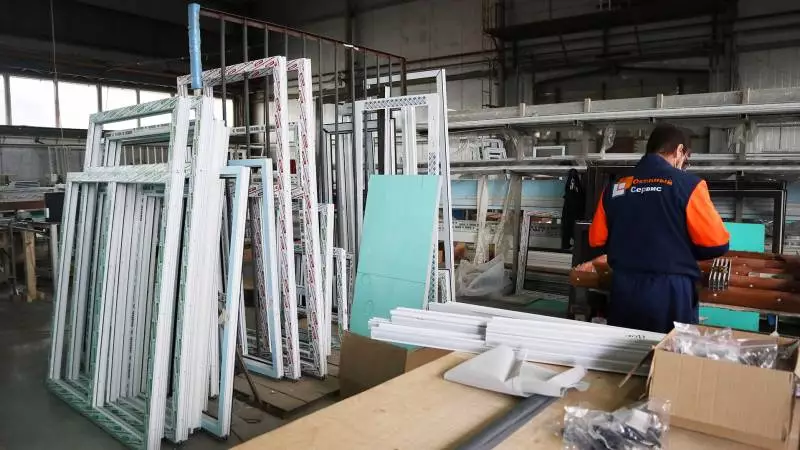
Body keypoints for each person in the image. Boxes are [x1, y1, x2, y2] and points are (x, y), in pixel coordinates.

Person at [587, 124, 730, 333]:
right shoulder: (689, 185)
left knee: (623, 348)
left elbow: (596, 240)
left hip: (624, 288)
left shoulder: (616, 187)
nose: (684, 164)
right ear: (679, 151)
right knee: (669, 350)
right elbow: (717, 244)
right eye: (686, 158)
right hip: (671, 292)